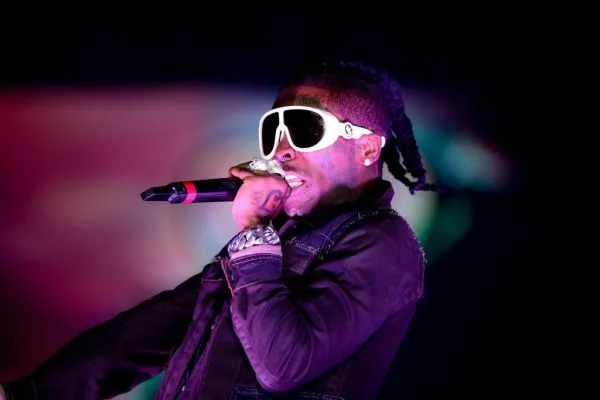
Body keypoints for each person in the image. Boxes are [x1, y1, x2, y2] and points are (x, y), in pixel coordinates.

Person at [0, 59, 437, 400]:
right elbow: (150, 332)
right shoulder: (279, 240)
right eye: (273, 130)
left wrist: (253, 229)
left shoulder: (384, 244)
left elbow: (285, 365)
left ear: (366, 149)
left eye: (304, 129)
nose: (280, 151)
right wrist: (30, 394)